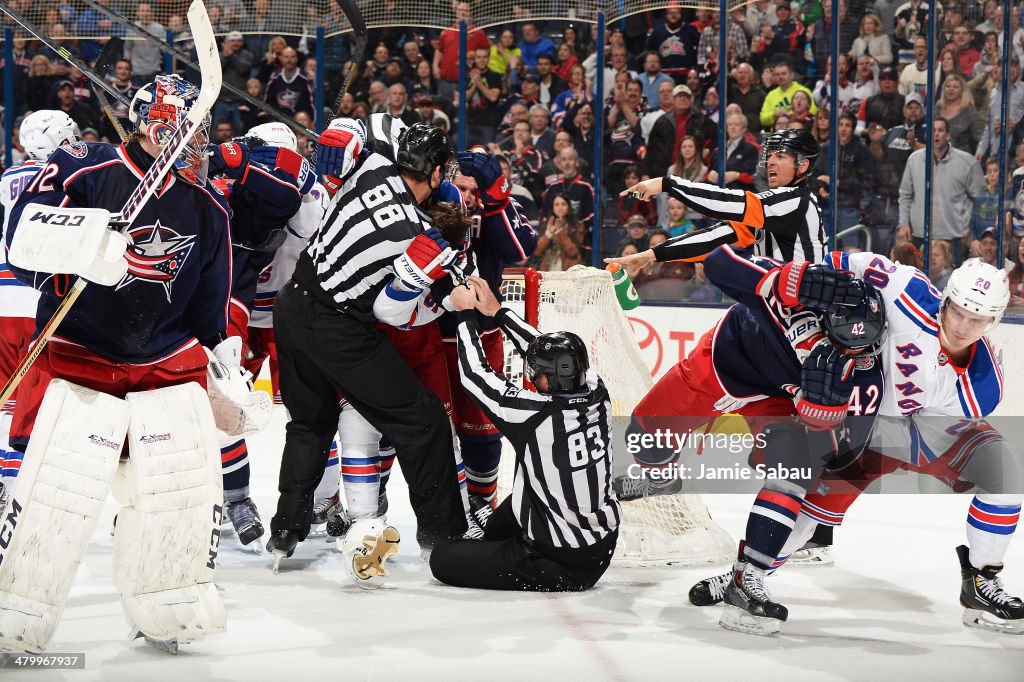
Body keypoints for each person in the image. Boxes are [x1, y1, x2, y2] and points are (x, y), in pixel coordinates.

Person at [1, 74, 234, 654]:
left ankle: (166, 600)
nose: (190, 141)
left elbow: (212, 309)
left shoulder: (206, 208)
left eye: (196, 130)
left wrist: (225, 374)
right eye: (181, 127)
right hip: (79, 354)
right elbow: (19, 239)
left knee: (176, 492)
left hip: (166, 362)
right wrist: (83, 243)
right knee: (59, 491)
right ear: (149, 123)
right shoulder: (83, 165)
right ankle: (19, 607)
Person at [614, 245, 884, 633]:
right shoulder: (791, 299)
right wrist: (782, 279)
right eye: (844, 344)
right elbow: (718, 262)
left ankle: (748, 578)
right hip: (723, 365)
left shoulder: (864, 370)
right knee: (642, 434)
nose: (856, 354)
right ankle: (660, 476)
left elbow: (845, 455)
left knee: (795, 472)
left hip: (776, 400)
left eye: (865, 345)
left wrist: (820, 423)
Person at [266, 116, 468, 565]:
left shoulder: (372, 163)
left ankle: (285, 530)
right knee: (425, 421)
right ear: (435, 173)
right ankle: (446, 540)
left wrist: (341, 140)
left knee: (309, 425)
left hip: (292, 302)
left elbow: (353, 131)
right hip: (338, 328)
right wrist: (449, 302)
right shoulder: (418, 236)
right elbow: (389, 313)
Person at [428, 276, 619, 592]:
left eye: (537, 374)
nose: (533, 377)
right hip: (602, 542)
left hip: (559, 563)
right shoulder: (598, 390)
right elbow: (542, 347)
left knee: (443, 559)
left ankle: (523, 556)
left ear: (549, 380)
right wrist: (498, 312)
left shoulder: (534, 413)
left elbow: (476, 377)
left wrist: (464, 315)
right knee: (503, 518)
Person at [0, 110, 81, 516]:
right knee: (31, 399)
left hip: (2, 299)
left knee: (5, 400)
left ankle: (5, 482)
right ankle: (17, 486)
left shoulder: (6, 178)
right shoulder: (65, 176)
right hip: (42, 297)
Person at [611, 128, 826, 268]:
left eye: (780, 156)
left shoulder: (795, 201)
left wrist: (667, 184)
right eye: (769, 156)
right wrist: (652, 254)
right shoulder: (773, 210)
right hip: (778, 310)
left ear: (803, 165)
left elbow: (730, 203)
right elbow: (715, 238)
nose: (770, 162)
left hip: (801, 311)